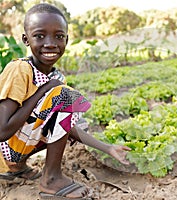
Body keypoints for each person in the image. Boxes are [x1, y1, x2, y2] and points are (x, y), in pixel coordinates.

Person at [0, 3, 131, 199]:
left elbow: (64, 126)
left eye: (58, 36)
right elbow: (2, 131)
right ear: (26, 40)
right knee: (65, 96)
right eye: (39, 36)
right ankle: (51, 179)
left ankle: (16, 168)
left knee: (70, 108)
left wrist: (107, 148)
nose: (50, 43)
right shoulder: (20, 70)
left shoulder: (57, 78)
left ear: (67, 40)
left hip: (15, 152)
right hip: (5, 148)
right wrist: (45, 89)